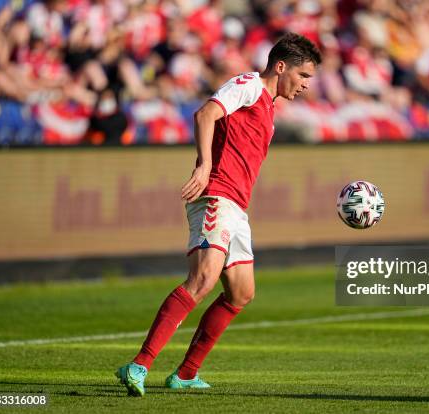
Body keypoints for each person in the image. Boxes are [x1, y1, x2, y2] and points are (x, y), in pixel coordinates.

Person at [115, 32, 321, 396]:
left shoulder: (270, 110)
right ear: (281, 66)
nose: (306, 85)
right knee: (203, 279)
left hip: (236, 207)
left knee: (242, 293)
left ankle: (185, 374)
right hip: (216, 195)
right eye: (303, 76)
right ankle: (139, 364)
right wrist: (204, 165)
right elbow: (206, 113)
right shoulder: (248, 85)